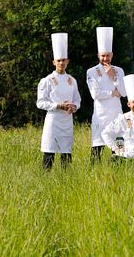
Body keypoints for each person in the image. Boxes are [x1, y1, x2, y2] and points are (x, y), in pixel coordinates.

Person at [37, 33, 81, 170]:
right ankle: (46, 179)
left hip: (67, 121)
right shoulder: (47, 81)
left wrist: (74, 107)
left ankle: (66, 181)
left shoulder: (72, 80)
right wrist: (58, 105)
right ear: (54, 62)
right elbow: (40, 102)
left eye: (64, 60)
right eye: (59, 60)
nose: (61, 63)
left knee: (66, 154)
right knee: (49, 153)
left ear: (67, 62)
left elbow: (77, 99)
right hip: (53, 121)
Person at [86, 27, 127, 164]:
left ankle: (118, 173)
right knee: (97, 147)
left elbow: (124, 92)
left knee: (119, 147)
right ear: (98, 56)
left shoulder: (119, 71)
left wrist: (113, 77)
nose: (105, 59)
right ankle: (93, 174)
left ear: (112, 55)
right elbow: (95, 94)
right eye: (103, 56)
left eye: (108, 55)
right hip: (100, 114)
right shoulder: (91, 71)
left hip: (116, 113)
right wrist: (112, 93)